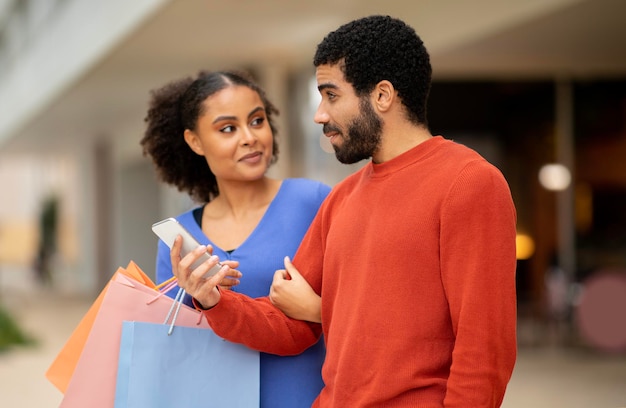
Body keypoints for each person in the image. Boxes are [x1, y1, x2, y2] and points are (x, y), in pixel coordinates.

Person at [172, 15, 517, 407]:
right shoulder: (342, 198)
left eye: (331, 95)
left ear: (382, 96)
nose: (320, 114)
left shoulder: (469, 183)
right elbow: (290, 325)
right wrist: (215, 300)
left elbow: (484, 352)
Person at [140, 70, 330, 408]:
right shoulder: (178, 238)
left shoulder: (312, 202)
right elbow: (173, 338)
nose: (249, 137)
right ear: (194, 141)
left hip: (306, 397)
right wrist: (198, 296)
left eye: (257, 121)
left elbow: (355, 307)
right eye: (228, 128)